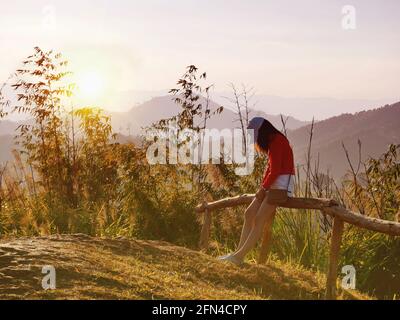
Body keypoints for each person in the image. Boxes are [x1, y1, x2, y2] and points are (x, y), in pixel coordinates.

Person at [219, 117, 295, 265]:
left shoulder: (278, 141)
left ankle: (238, 257)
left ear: (262, 132)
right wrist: (263, 188)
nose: (256, 141)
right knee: (249, 214)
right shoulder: (273, 142)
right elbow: (270, 170)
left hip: (281, 185)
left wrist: (264, 188)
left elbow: (276, 170)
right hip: (272, 184)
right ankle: (236, 255)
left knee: (259, 219)